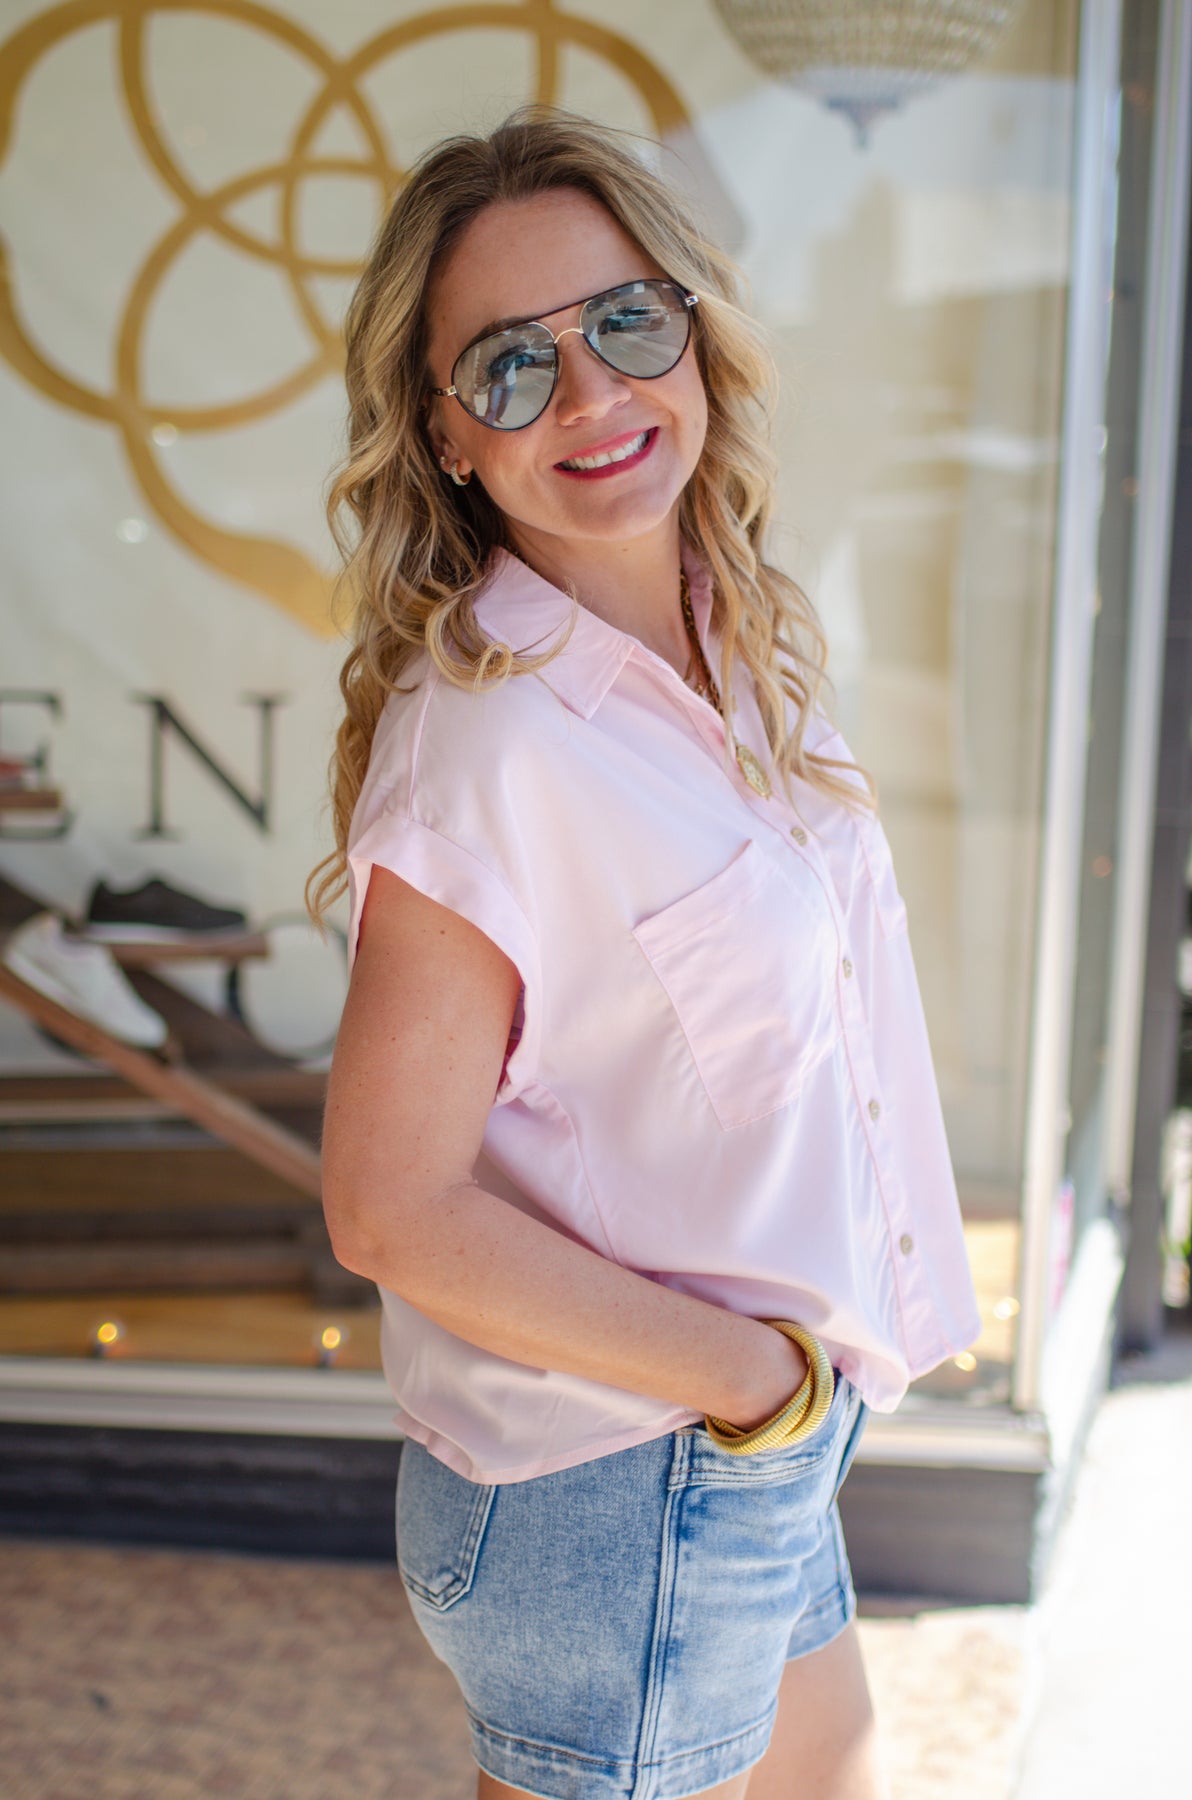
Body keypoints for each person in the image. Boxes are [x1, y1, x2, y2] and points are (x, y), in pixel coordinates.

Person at [310, 106, 982, 1800]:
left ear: (695, 332)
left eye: (625, 322)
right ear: (447, 434)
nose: (593, 395)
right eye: (511, 365)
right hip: (628, 1473)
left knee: (832, 1775)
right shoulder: (488, 744)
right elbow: (389, 1206)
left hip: (754, 1445)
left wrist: (793, 1398)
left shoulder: (738, 636)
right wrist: (749, 1380)